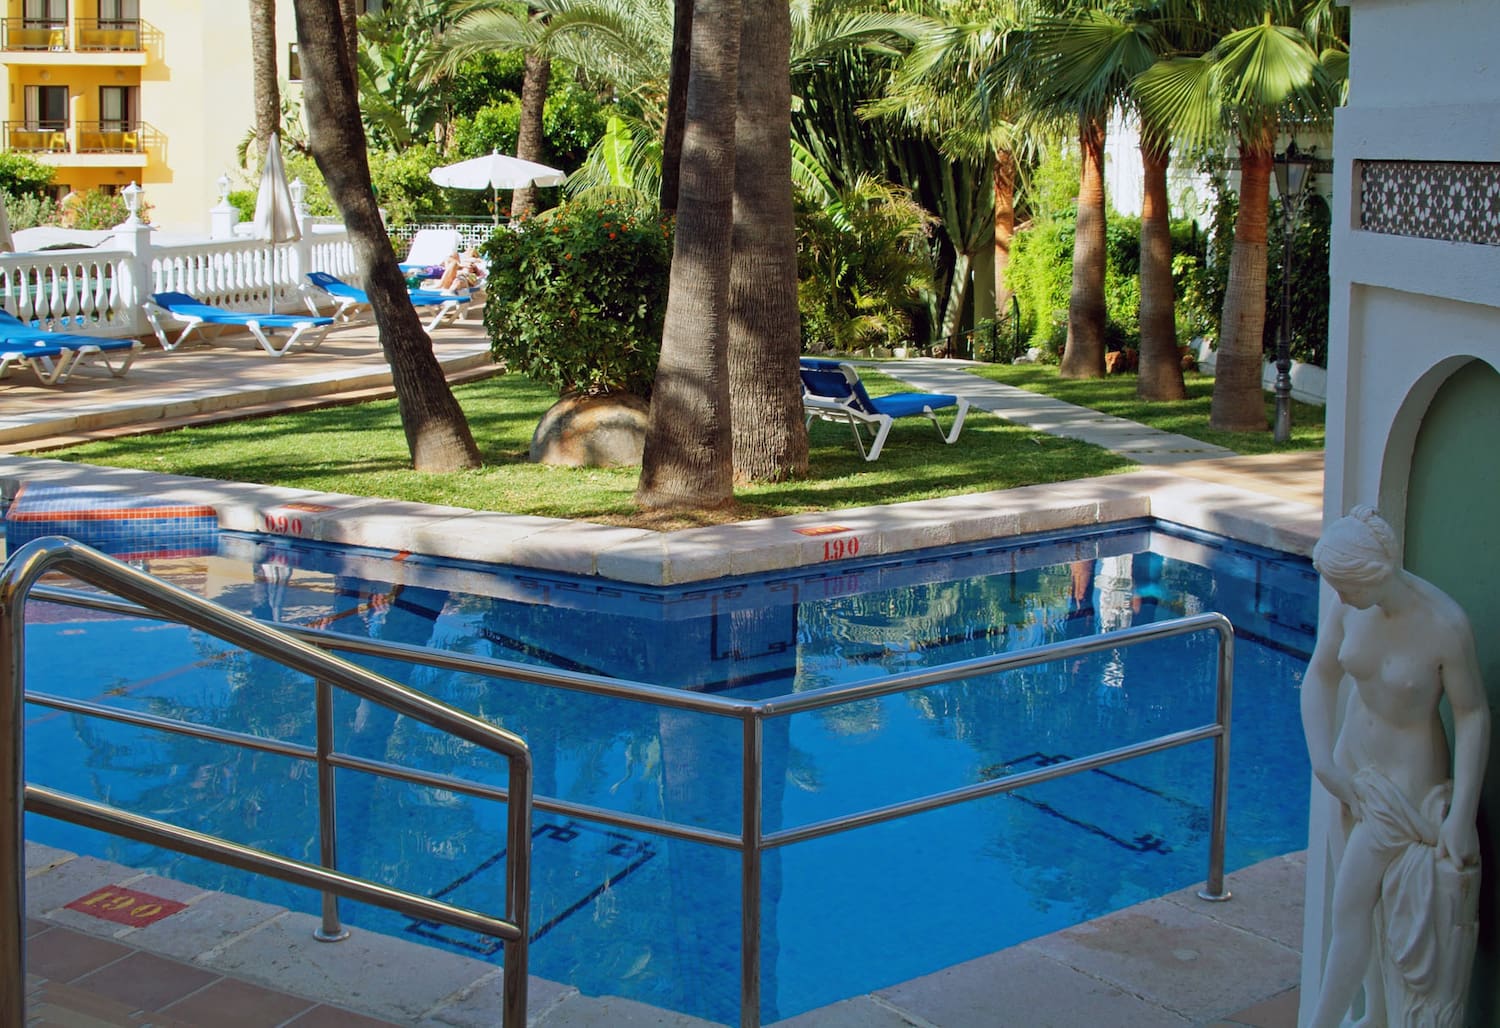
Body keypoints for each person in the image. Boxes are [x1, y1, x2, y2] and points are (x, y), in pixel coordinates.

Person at [1302, 505, 1489, 1027]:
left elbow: (1473, 714)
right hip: (1352, 774)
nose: (1338, 598)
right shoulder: (1350, 609)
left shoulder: (1444, 625)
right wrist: (1324, 763)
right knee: (1366, 911)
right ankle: (1375, 1014)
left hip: (1405, 792)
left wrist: (1460, 815)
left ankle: (1322, 1022)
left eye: (1345, 586)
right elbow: (1320, 676)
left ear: (1375, 574)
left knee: (1350, 909)